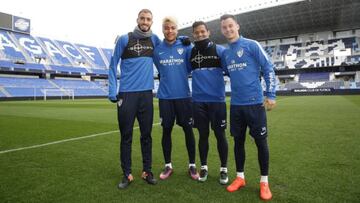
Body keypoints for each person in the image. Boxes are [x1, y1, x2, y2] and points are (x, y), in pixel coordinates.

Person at [219, 14, 276, 200]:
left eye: (230, 26)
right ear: (222, 30)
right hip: (236, 106)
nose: (228, 29)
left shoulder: (252, 45)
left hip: (255, 104)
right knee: (238, 142)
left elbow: (268, 68)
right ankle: (240, 177)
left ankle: (264, 182)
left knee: (261, 143)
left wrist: (271, 94)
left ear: (237, 26)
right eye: (224, 27)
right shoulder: (226, 54)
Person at [108, 9, 161, 189]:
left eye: (148, 19)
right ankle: (127, 173)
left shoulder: (154, 40)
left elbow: (168, 52)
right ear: (137, 19)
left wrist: (182, 44)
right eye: (142, 18)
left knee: (146, 135)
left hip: (146, 94)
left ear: (151, 22)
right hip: (127, 94)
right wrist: (112, 89)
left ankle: (147, 171)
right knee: (126, 136)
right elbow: (112, 64)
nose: (145, 21)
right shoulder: (125, 39)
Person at [153, 16, 199, 180]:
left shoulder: (186, 46)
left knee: (188, 130)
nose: (170, 31)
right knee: (166, 130)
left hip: (184, 96)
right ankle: (168, 166)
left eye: (173, 28)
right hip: (165, 97)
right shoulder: (157, 50)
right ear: (163, 30)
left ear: (177, 29)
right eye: (166, 28)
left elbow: (191, 66)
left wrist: (183, 39)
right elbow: (160, 69)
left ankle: (192, 166)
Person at [187, 21, 229, 184]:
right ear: (193, 35)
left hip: (217, 101)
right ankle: (203, 167)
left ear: (208, 32)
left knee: (220, 135)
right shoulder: (190, 52)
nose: (200, 34)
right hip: (198, 102)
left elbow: (230, 71)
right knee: (203, 135)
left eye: (202, 31)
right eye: (196, 32)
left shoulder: (220, 50)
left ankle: (223, 169)